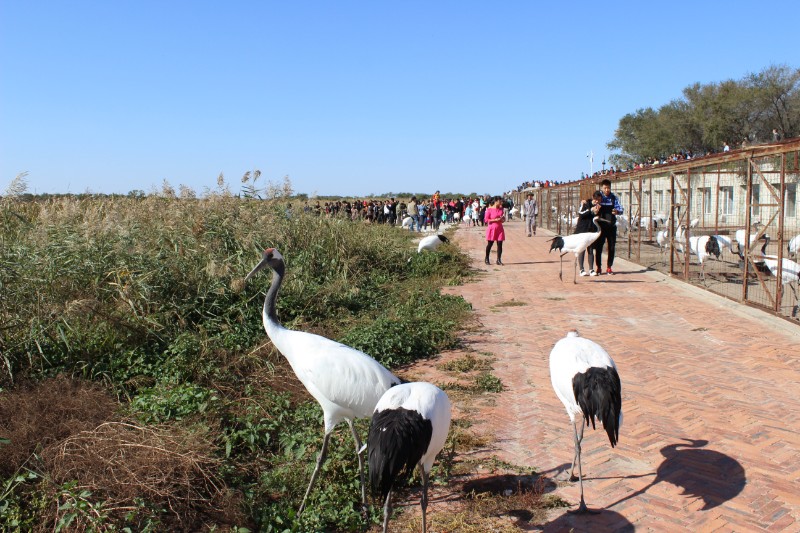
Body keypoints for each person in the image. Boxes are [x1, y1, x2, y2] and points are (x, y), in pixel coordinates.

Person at [595, 179, 624, 275]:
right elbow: (592, 202)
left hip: (611, 226)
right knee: (599, 247)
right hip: (601, 226)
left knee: (611, 247)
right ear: (602, 188)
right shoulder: (599, 197)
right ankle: (598, 267)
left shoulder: (613, 198)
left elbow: (620, 208)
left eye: (608, 188)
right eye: (605, 188)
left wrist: (617, 211)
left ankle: (609, 267)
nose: (607, 190)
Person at [576, 191, 602, 276]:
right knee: (582, 249)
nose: (597, 201)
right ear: (592, 197)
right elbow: (581, 214)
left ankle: (591, 269)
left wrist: (597, 212)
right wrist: (591, 210)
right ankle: (581, 269)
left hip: (591, 231)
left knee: (591, 250)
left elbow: (597, 218)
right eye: (595, 199)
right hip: (582, 230)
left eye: (599, 200)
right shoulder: (585, 203)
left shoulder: (598, 207)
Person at [484, 196, 506, 265]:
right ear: (496, 201)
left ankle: (498, 259)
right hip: (492, 228)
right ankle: (487, 258)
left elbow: (502, 219)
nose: (500, 202)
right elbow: (486, 220)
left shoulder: (501, 209)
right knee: (490, 244)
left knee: (500, 244)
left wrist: (502, 219)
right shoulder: (489, 209)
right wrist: (495, 220)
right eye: (499, 201)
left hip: (499, 228)